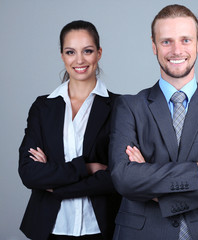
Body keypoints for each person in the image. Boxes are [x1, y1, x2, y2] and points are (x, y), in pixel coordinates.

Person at [109, 4, 198, 240]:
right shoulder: (129, 106)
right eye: (166, 41)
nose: (176, 50)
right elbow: (124, 178)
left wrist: (150, 178)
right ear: (154, 46)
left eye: (185, 40)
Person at [18, 20, 121, 240]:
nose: (80, 60)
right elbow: (29, 173)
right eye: (70, 52)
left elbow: (118, 176)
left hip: (102, 228)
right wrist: (86, 167)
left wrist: (57, 185)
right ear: (62, 55)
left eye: (88, 51)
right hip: (48, 229)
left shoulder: (120, 107)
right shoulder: (43, 107)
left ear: (99, 53)